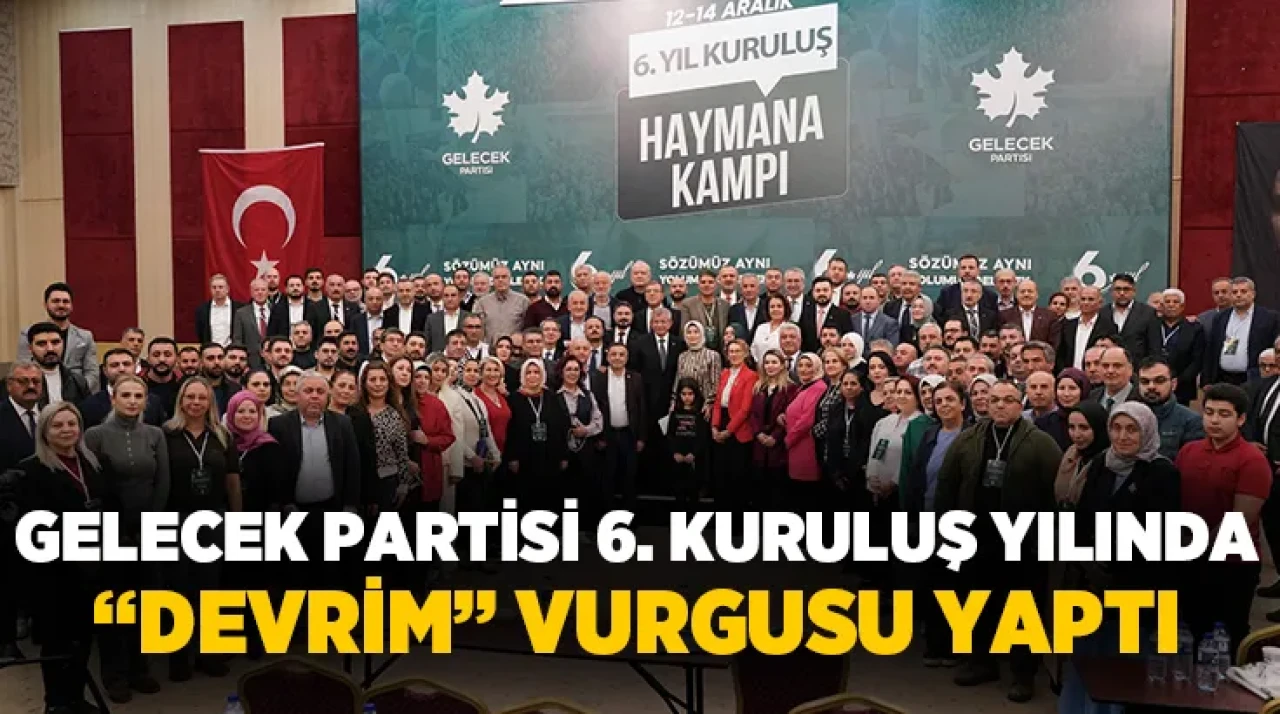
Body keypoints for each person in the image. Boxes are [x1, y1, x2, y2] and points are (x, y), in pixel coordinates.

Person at [936, 380, 1061, 702]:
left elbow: (1055, 494)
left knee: (1022, 608)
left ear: (1021, 405)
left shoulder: (1041, 443)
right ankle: (981, 662)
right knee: (976, 602)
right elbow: (947, 484)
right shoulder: (968, 439)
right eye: (994, 400)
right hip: (976, 536)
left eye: (1008, 400)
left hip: (1022, 540)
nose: (1001, 406)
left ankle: (1023, 675)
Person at [1058, 402, 1181, 714]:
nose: (1122, 436)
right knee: (1088, 657)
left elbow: (1159, 534)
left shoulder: (1161, 472)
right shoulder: (1102, 462)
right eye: (1116, 428)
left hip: (1135, 581)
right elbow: (1085, 515)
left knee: (1124, 662)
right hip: (1092, 578)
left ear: (1146, 431)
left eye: (1131, 429)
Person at [0, 402, 108, 713]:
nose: (66, 430)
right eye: (58, 425)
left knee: (83, 639)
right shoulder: (31, 470)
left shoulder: (93, 463)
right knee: (57, 642)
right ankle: (57, 703)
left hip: (90, 566)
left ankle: (76, 698)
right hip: (54, 573)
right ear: (45, 431)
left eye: (71, 424)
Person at [83, 375, 168, 702]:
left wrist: (152, 525)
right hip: (111, 532)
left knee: (145, 602)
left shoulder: (155, 434)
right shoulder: (95, 435)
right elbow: (93, 484)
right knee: (114, 605)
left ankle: (139, 669)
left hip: (148, 529)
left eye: (138, 396)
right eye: (126, 395)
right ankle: (114, 675)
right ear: (113, 398)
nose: (132, 401)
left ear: (145, 400)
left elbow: (163, 482)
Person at [1178, 384, 1272, 637]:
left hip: (1233, 563)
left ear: (1241, 419)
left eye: (1224, 414)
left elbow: (1239, 521)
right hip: (1189, 557)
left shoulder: (1252, 460)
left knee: (1229, 634)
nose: (1214, 420)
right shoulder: (1189, 451)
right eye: (1209, 412)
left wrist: (1195, 547)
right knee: (1189, 629)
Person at [163, 377, 240, 680]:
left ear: (210, 403)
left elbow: (232, 480)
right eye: (190, 397)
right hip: (177, 519)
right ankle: (178, 656)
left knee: (211, 589)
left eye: (202, 398)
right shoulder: (166, 434)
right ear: (181, 401)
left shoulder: (222, 435)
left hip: (213, 519)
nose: (195, 403)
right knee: (177, 590)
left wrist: (237, 519)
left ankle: (209, 654)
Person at [900, 381, 968, 668]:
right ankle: (934, 643)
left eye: (950, 399)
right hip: (927, 519)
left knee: (955, 586)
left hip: (959, 523)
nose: (944, 405)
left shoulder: (971, 436)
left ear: (962, 403)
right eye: (938, 401)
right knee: (930, 583)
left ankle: (954, 646)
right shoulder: (931, 434)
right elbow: (916, 475)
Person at [505, 359, 570, 511]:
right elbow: (511, 431)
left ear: (543, 375)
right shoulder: (514, 399)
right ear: (523, 376)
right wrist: (512, 457)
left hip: (550, 456)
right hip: (524, 458)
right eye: (528, 373)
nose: (532, 376)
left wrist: (564, 455)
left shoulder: (551, 397)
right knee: (526, 499)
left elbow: (561, 428)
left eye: (536, 372)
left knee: (550, 499)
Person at [358, 361, 416, 512]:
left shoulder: (395, 415)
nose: (378, 384)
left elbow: (402, 454)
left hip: (387, 482)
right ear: (364, 383)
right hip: (359, 481)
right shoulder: (355, 412)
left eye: (382, 379)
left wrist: (403, 485)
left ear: (389, 383)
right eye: (372, 379)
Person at [712, 339, 759, 510]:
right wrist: (714, 427)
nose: (734, 354)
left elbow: (745, 409)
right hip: (722, 422)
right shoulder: (724, 373)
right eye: (731, 351)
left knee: (737, 476)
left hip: (739, 429)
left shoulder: (751, 375)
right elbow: (718, 402)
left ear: (745, 353)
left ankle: (738, 517)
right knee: (721, 475)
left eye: (737, 351)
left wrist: (728, 431)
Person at [557, 355, 602, 524]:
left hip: (585, 451)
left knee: (585, 489)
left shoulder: (588, 395)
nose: (572, 373)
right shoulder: (554, 396)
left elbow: (599, 421)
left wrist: (586, 430)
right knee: (564, 490)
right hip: (562, 452)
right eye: (568, 369)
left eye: (576, 369)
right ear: (562, 372)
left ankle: (585, 526)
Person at [1136, 357, 1204, 460]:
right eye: (1145, 381)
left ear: (1173, 384)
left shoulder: (1191, 421)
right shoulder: (1127, 416)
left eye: (1159, 381)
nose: (1151, 386)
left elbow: (1190, 463)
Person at [783, 353, 828, 511]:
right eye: (800, 365)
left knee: (807, 497)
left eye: (809, 366)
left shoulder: (818, 387)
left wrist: (788, 440)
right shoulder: (804, 386)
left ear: (817, 367)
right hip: (796, 446)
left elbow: (807, 420)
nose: (803, 369)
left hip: (805, 445)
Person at [1053, 402, 1111, 509]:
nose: (1076, 434)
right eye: (1071, 427)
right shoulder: (1071, 452)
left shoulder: (1109, 462)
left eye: (1084, 428)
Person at [669, 378, 711, 511]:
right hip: (678, 457)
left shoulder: (700, 413)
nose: (687, 397)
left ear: (695, 394)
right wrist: (675, 452)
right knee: (679, 492)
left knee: (693, 492)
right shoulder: (675, 413)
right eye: (684, 394)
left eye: (690, 394)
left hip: (694, 459)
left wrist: (694, 454)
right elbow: (670, 435)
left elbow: (702, 437)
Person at [675, 321, 722, 417]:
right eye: (689, 332)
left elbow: (716, 384)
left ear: (702, 334)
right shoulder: (682, 356)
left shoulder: (713, 355)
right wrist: (673, 402)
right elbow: (678, 381)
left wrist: (708, 405)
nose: (692, 335)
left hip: (705, 408)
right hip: (685, 407)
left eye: (696, 332)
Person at [1037, 369, 1089, 450]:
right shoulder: (1043, 424)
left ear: (1083, 390)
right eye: (1061, 388)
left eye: (1072, 388)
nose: (1066, 394)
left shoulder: (1093, 421)